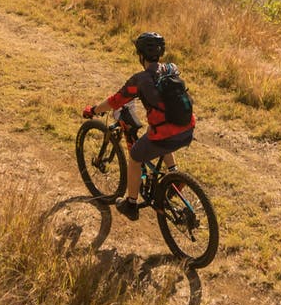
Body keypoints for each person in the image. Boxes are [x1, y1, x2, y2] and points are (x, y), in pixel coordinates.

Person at [81, 31, 195, 220]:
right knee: (155, 132)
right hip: (188, 127)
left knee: (135, 157)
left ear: (140, 55)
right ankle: (174, 175)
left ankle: (131, 204)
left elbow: (115, 101)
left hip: (166, 134)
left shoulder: (140, 80)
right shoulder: (171, 69)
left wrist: (94, 110)